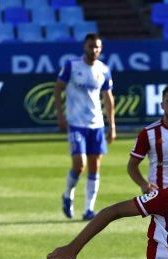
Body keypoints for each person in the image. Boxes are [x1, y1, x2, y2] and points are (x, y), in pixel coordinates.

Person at [55, 32, 116, 221]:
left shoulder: (104, 69)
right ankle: (67, 195)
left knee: (94, 166)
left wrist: (111, 125)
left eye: (97, 47)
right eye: (91, 46)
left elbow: (108, 98)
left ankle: (89, 209)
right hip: (76, 123)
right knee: (79, 164)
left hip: (96, 124)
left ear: (101, 49)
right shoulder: (72, 66)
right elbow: (58, 88)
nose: (93, 50)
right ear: (84, 47)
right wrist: (60, 114)